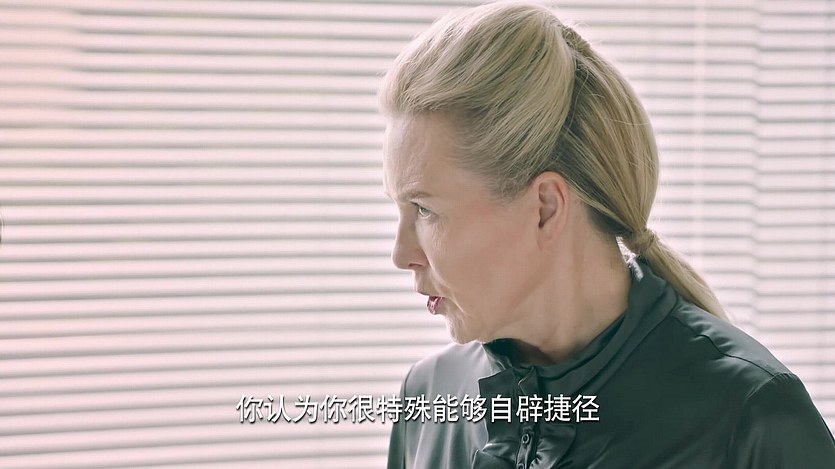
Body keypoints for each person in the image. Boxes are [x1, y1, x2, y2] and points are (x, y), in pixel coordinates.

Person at [377, 2, 835, 468]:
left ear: (545, 208)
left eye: (424, 209)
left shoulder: (751, 417)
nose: (400, 253)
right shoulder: (428, 398)